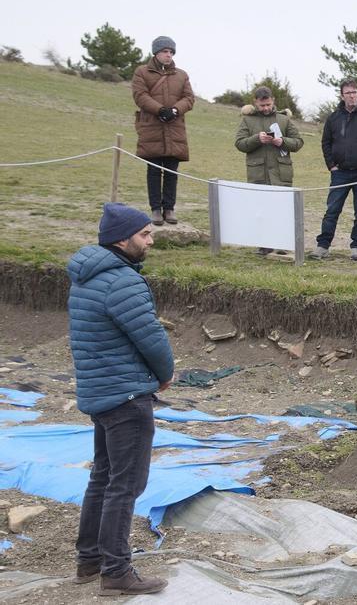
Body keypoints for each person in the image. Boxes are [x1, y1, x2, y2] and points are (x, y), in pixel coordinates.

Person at [68, 203, 173, 596]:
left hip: (101, 392)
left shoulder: (86, 276)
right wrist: (165, 374)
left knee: (103, 476)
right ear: (121, 239)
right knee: (125, 485)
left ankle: (89, 560)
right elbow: (151, 337)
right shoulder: (122, 281)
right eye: (144, 234)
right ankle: (116, 571)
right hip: (126, 395)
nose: (150, 240)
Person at [314, 79, 357, 262]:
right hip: (340, 173)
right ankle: (323, 246)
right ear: (342, 96)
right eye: (348, 93)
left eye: (354, 92)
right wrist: (332, 166)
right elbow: (326, 143)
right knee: (332, 210)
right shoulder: (333, 118)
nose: (352, 96)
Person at [131, 35, 193, 226]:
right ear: (156, 52)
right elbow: (140, 96)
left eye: (171, 52)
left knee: (172, 170)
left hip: (174, 128)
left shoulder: (182, 75)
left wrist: (175, 110)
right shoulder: (141, 72)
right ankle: (156, 209)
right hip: (152, 127)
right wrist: (160, 110)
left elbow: (189, 98)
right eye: (165, 51)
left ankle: (169, 208)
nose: (169, 55)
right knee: (154, 170)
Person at [234, 86, 304, 187]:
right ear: (255, 102)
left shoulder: (284, 119)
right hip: (258, 179)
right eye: (262, 105)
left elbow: (298, 142)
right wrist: (257, 139)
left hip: (282, 179)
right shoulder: (247, 120)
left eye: (268, 104)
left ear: (273, 100)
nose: (266, 108)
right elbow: (239, 143)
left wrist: (282, 142)